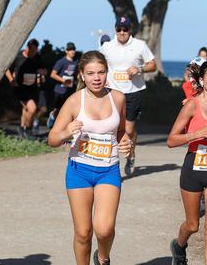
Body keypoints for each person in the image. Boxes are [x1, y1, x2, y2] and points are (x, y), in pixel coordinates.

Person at [47, 51, 133, 265]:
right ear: (82, 76)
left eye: (101, 72)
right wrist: (66, 132)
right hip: (79, 171)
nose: (97, 77)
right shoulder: (74, 101)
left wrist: (126, 141)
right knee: (83, 232)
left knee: (104, 229)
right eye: (91, 73)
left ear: (107, 73)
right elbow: (52, 139)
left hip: (108, 170)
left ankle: (103, 258)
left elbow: (121, 130)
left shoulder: (118, 98)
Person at [167, 60, 207, 265]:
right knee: (193, 225)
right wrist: (198, 134)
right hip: (193, 167)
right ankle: (179, 245)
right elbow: (171, 140)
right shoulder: (191, 106)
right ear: (202, 80)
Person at [100, 16, 156, 175]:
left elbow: (153, 65)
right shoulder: (107, 46)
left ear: (130, 30)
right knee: (113, 127)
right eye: (119, 29)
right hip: (112, 92)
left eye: (125, 29)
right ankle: (112, 161)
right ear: (115, 29)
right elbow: (98, 63)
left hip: (133, 92)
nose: (122, 32)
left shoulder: (140, 45)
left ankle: (131, 155)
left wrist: (140, 69)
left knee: (129, 130)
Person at [5, 38, 46, 138]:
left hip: (33, 88)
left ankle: (22, 129)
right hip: (20, 87)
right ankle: (28, 130)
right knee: (32, 108)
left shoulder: (37, 57)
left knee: (26, 109)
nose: (33, 53)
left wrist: (43, 73)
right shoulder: (18, 56)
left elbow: (43, 70)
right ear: (28, 48)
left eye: (35, 51)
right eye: (31, 50)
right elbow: (6, 69)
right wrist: (11, 80)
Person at [48, 42, 79, 129]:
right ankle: (52, 117)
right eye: (70, 49)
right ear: (66, 51)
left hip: (70, 90)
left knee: (67, 110)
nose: (72, 51)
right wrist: (64, 81)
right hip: (59, 90)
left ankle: (62, 128)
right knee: (58, 109)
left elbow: (75, 75)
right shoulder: (61, 62)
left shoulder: (75, 62)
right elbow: (52, 74)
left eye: (73, 49)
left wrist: (79, 78)